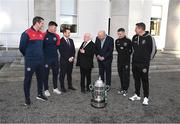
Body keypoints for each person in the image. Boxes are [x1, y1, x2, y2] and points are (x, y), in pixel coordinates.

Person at [19, 16, 47, 106]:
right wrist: (28, 56)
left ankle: (40, 94)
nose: (43, 24)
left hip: (40, 61)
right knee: (28, 80)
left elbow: (42, 47)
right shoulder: (26, 33)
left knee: (40, 78)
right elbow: (21, 47)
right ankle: (27, 99)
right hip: (30, 61)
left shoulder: (41, 34)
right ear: (37, 23)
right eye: (42, 23)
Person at [129, 22, 157, 105]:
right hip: (135, 63)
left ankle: (146, 97)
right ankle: (137, 95)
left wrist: (147, 60)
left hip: (144, 64)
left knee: (145, 80)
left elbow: (153, 50)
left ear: (140, 29)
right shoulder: (134, 37)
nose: (135, 30)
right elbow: (133, 50)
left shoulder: (149, 38)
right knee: (136, 79)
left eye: (136, 28)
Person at [43, 21, 61, 97]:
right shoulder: (43, 35)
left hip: (55, 58)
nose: (55, 29)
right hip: (46, 59)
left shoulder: (57, 36)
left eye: (56, 28)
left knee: (55, 73)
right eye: (54, 28)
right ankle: (46, 89)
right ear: (50, 27)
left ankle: (55, 88)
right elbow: (40, 47)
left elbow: (57, 46)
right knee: (46, 74)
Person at [115, 28, 132, 96]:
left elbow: (130, 51)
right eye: (118, 34)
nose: (119, 35)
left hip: (126, 61)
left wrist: (126, 57)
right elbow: (118, 50)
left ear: (124, 33)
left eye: (120, 34)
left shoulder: (128, 41)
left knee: (126, 75)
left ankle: (125, 89)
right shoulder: (117, 41)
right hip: (119, 61)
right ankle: (122, 88)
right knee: (121, 75)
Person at [59, 28, 76, 92]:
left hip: (71, 61)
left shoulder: (71, 40)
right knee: (62, 74)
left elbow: (73, 50)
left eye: (69, 33)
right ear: (64, 33)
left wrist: (72, 57)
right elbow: (61, 51)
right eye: (68, 33)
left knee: (69, 74)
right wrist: (68, 58)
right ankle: (62, 87)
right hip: (64, 61)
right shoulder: (60, 41)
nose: (69, 34)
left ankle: (70, 85)